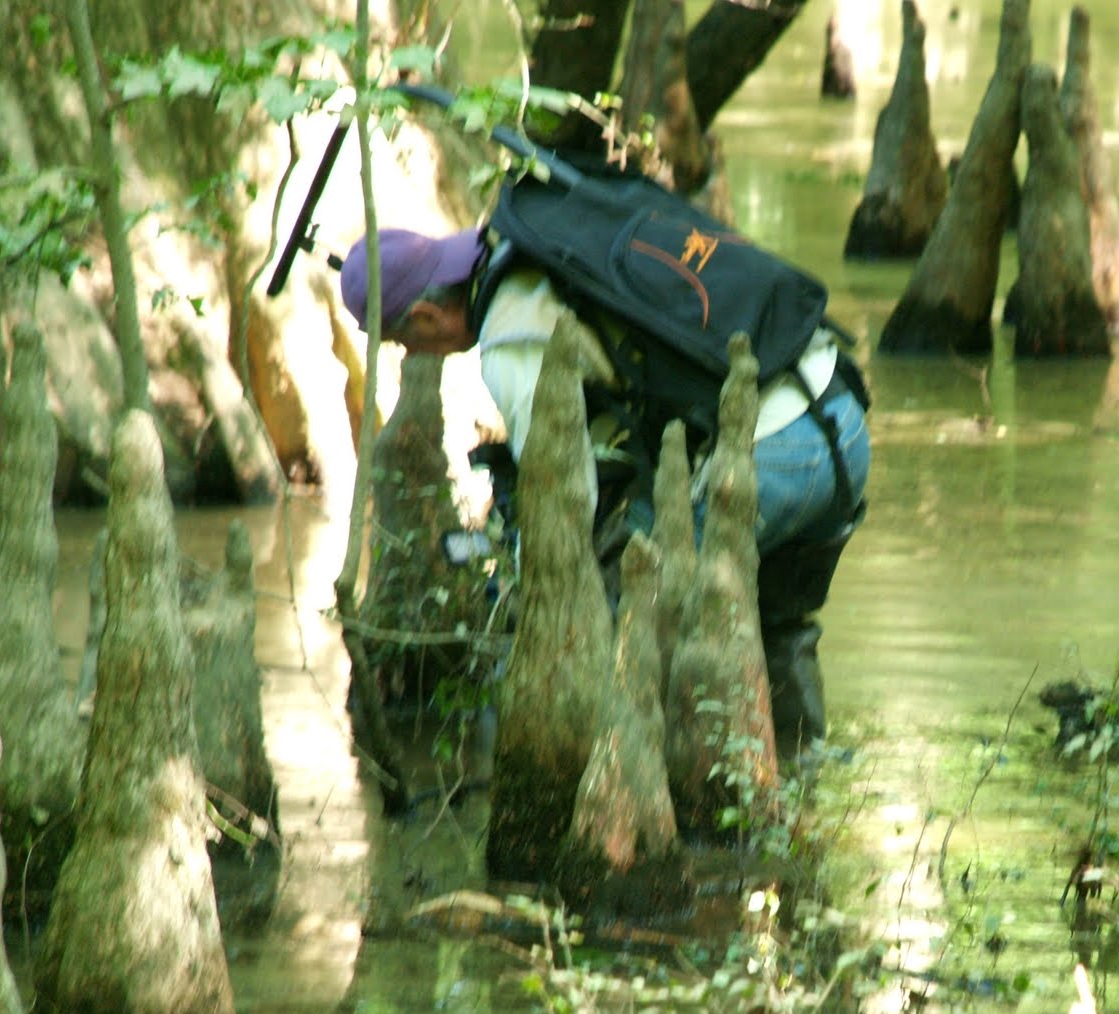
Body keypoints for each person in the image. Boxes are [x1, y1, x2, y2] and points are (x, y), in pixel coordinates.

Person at [340, 226, 869, 745]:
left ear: (427, 316)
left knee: (631, 605)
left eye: (404, 340)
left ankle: (649, 790)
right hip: (839, 415)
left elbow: (565, 506)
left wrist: (531, 605)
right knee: (779, 625)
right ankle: (805, 777)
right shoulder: (532, 242)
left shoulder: (510, 342)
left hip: (776, 452)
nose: (413, 354)